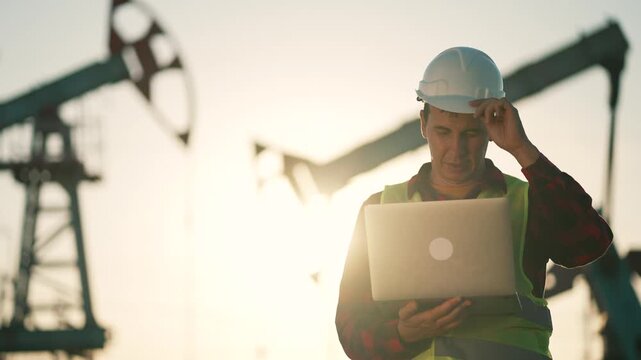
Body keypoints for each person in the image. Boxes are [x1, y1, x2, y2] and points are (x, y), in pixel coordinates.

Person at [335, 47, 613, 359]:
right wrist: (404, 334)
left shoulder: (528, 201)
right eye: (443, 132)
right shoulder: (380, 210)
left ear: (490, 131)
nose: (456, 149)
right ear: (423, 124)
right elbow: (351, 328)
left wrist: (522, 149)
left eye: (470, 134)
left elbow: (589, 243)